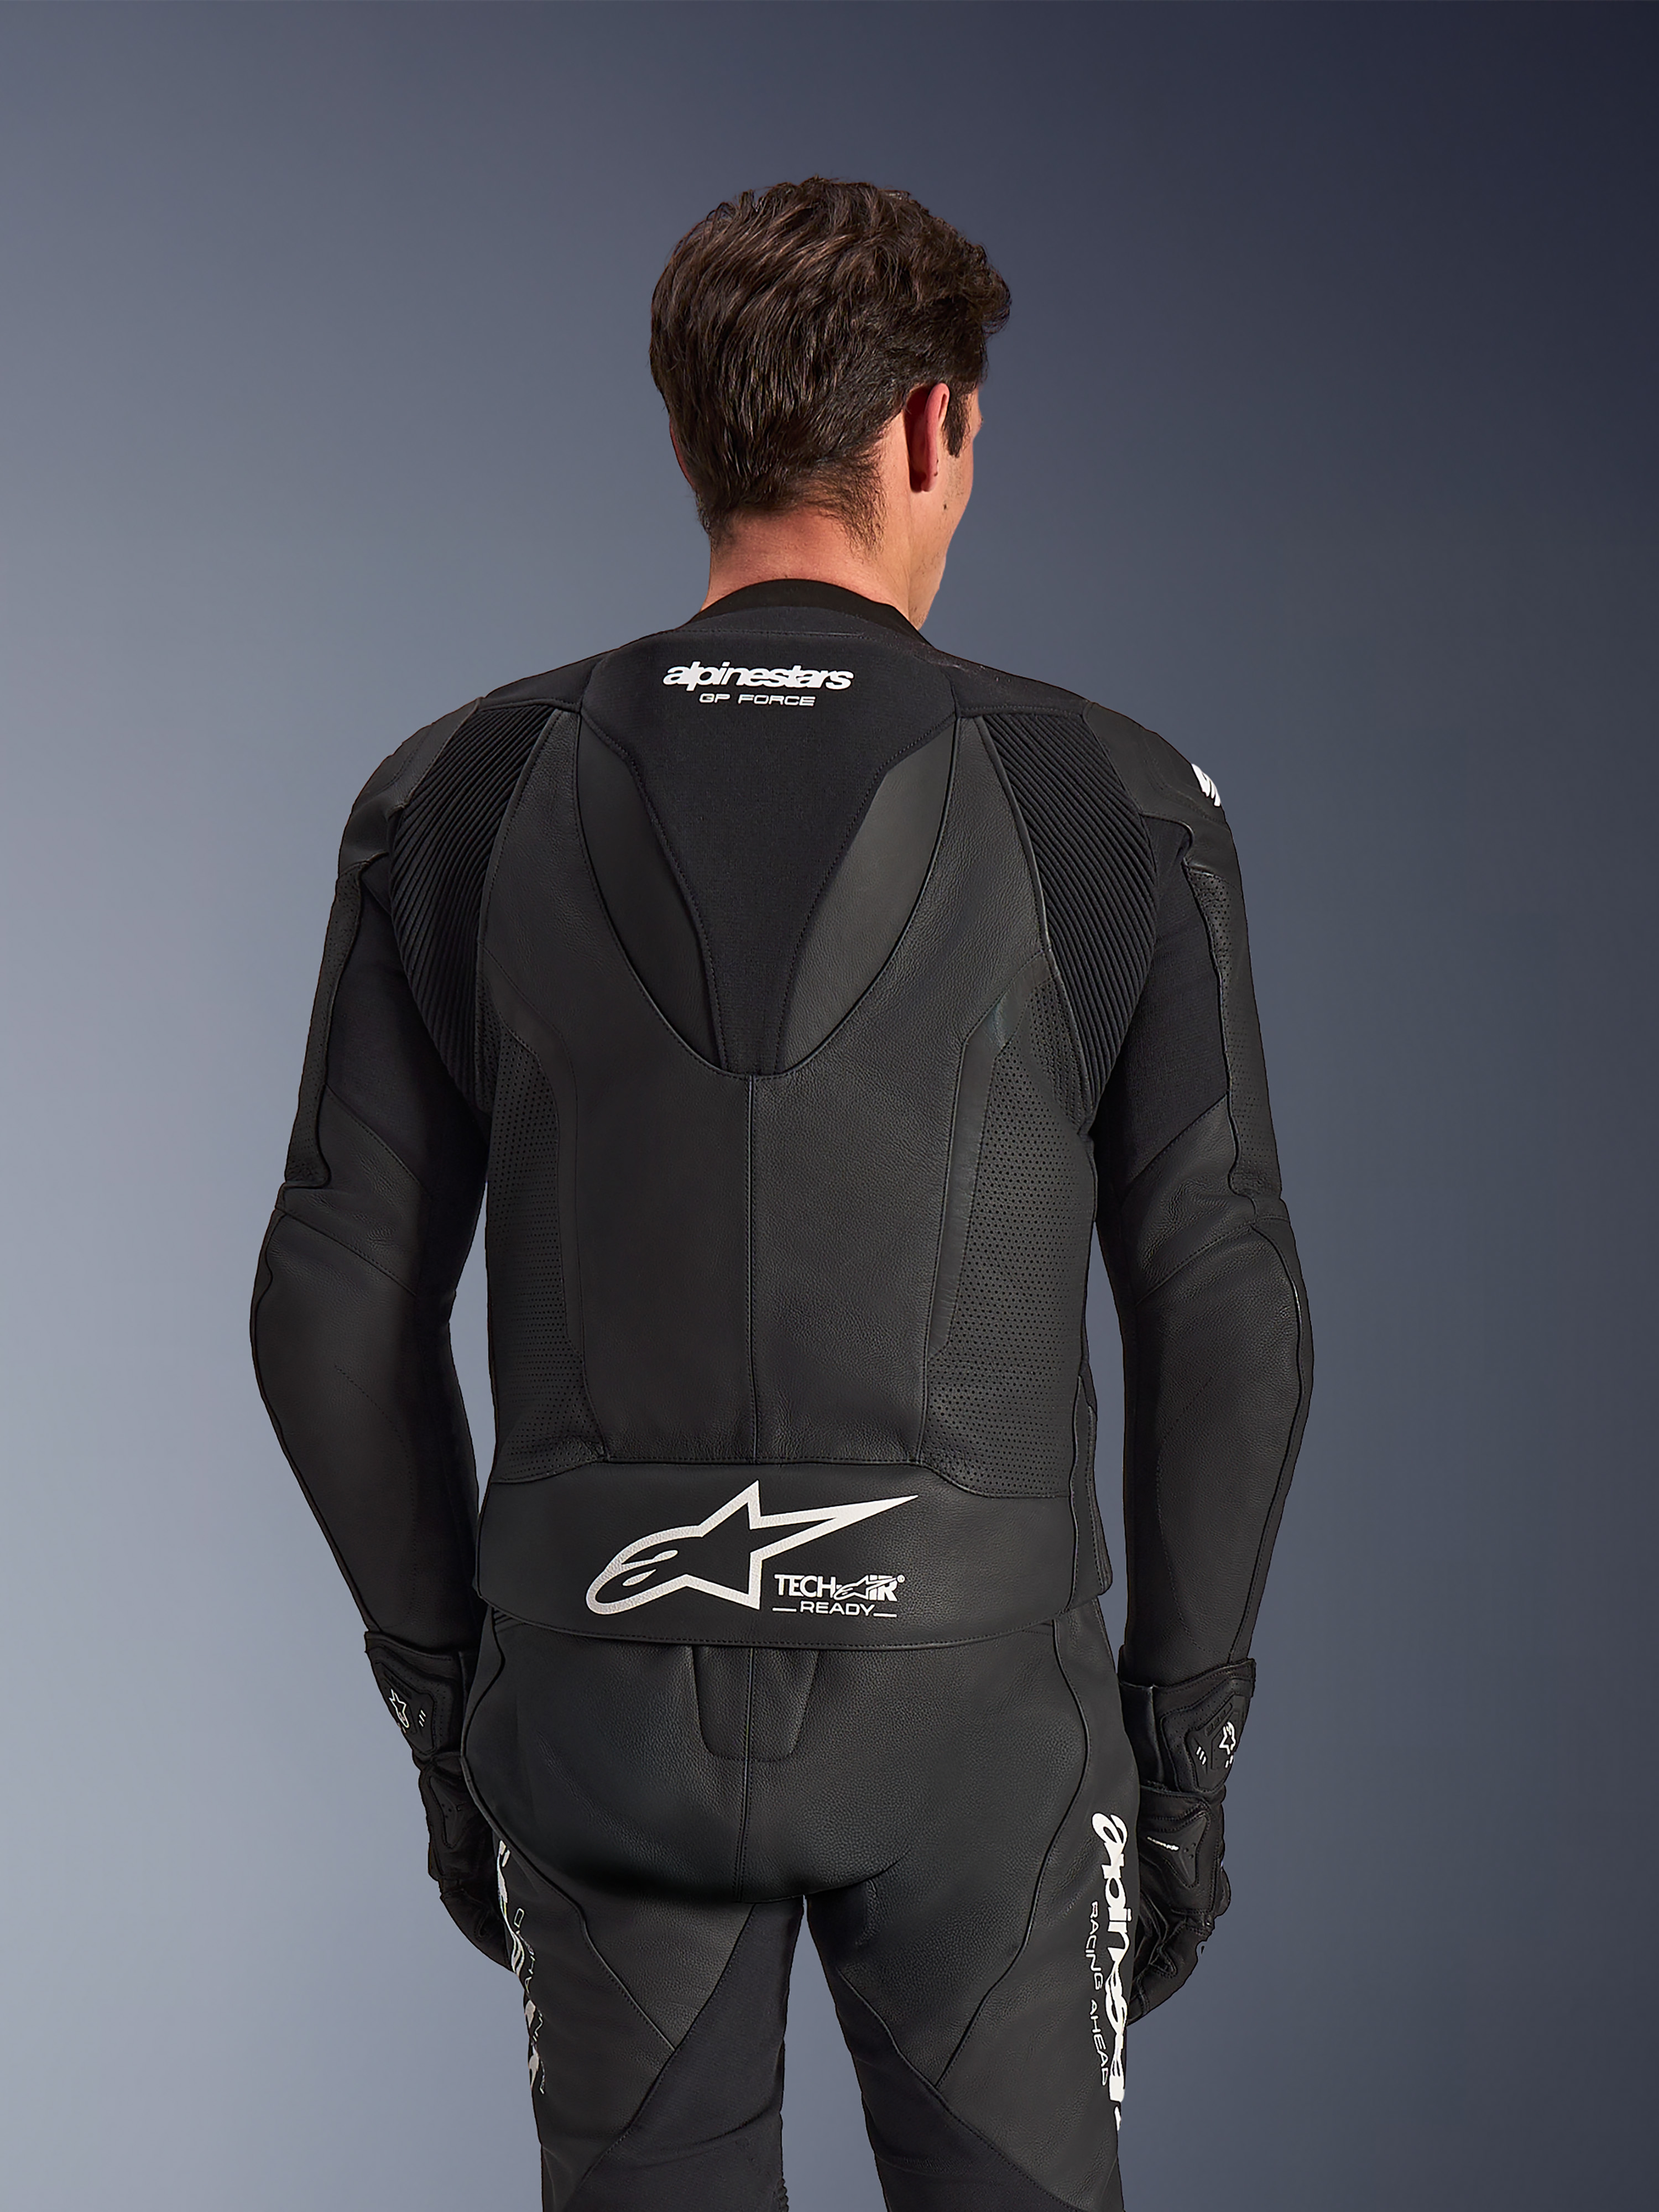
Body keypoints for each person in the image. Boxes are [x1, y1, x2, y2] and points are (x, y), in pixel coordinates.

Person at [252, 177, 1312, 2212]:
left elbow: (325, 1299)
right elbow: (1226, 1296)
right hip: (985, 1725)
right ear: (933, 426)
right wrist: (1185, 1762)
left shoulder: (451, 792)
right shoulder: (1115, 803)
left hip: (599, 1692)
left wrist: (450, 1715)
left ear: (687, 432)